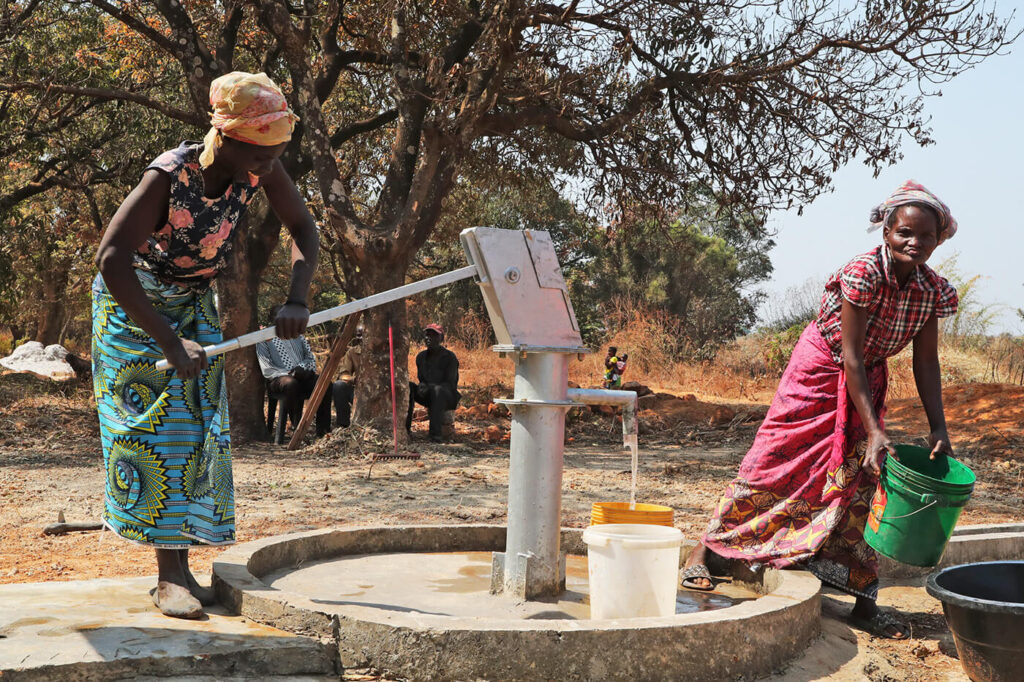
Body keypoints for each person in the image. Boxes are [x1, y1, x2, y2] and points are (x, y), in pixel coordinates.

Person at [680, 181, 959, 640]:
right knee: (775, 461)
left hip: (867, 375)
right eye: (905, 232)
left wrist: (938, 428)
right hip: (820, 367)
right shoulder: (864, 273)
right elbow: (848, 354)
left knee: (862, 477)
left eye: (926, 237)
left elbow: (925, 361)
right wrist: (874, 428)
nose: (915, 243)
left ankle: (863, 597)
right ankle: (707, 550)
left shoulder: (933, 290)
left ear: (938, 240)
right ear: (886, 230)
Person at [92, 72, 317, 620]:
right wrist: (168, 342)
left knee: (200, 429)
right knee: (156, 431)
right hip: (134, 309)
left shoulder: (262, 166)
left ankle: (180, 567)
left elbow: (303, 229)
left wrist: (296, 299)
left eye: (277, 153)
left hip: (193, 302)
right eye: (263, 153)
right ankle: (169, 578)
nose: (270, 164)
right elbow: (111, 260)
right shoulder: (168, 176)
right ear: (230, 137)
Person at [256, 316, 333, 438]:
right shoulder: (264, 339)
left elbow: (310, 357)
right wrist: (291, 373)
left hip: (301, 375)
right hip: (278, 379)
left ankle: (323, 430)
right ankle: (296, 427)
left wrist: (302, 367)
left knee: (325, 384)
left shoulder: (297, 336)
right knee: (291, 384)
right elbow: (267, 369)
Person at [406, 323, 460, 443]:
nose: (429, 338)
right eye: (427, 334)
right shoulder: (421, 357)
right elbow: (422, 380)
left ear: (441, 338)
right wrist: (422, 386)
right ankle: (406, 430)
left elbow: (450, 384)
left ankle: (435, 435)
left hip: (446, 396)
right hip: (429, 394)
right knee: (409, 386)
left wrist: (429, 386)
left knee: (438, 390)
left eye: (434, 335)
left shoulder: (449, 357)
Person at [334, 325, 364, 428]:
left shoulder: (381, 351)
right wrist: (354, 379)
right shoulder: (352, 352)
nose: (361, 339)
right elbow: (343, 375)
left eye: (364, 336)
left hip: (378, 392)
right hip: (358, 390)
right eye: (359, 336)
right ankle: (343, 425)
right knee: (338, 386)